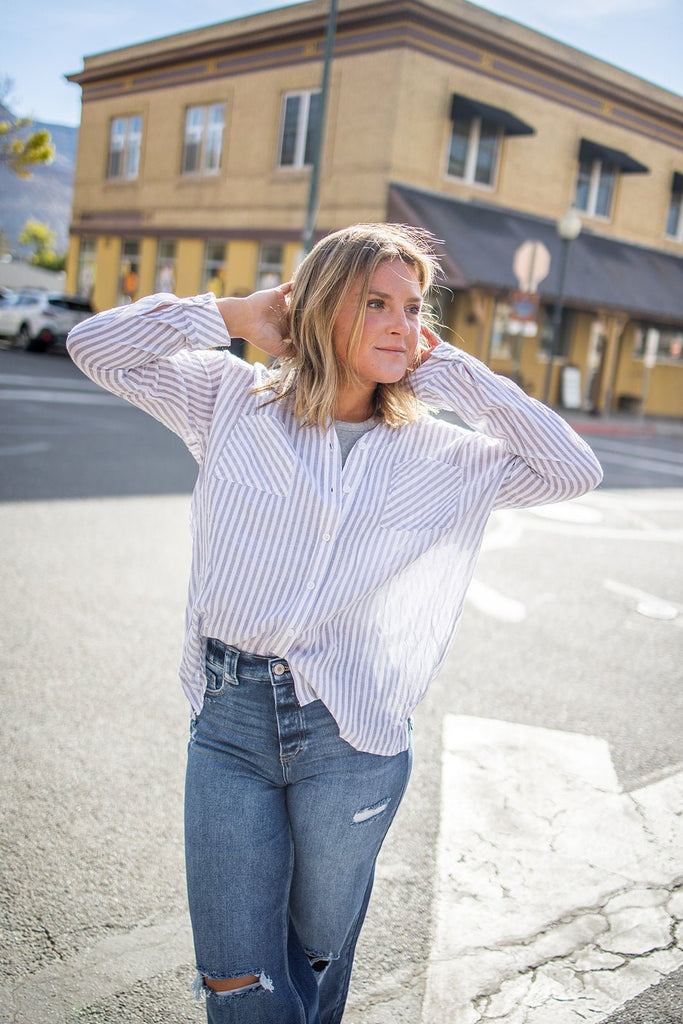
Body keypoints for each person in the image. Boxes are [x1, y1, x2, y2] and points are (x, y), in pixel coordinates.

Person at [66, 223, 602, 1024]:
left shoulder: (438, 456)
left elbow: (573, 469)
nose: (400, 323)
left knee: (314, 957)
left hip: (352, 739)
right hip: (229, 726)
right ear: (318, 307)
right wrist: (237, 314)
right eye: (375, 302)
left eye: (413, 307)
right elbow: (95, 345)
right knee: (238, 980)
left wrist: (450, 368)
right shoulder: (227, 401)